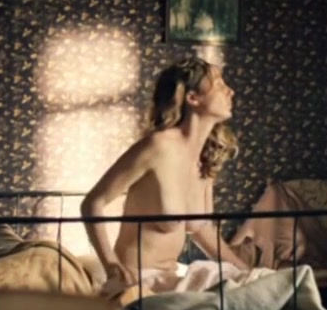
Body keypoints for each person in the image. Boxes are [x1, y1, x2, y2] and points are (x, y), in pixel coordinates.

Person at [81, 57, 251, 289]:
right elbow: (93, 203)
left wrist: (247, 272)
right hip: (139, 280)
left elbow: (203, 230)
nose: (230, 91)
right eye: (220, 85)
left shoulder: (206, 157)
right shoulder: (158, 146)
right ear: (193, 98)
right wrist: (111, 266)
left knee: (261, 282)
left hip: (170, 279)